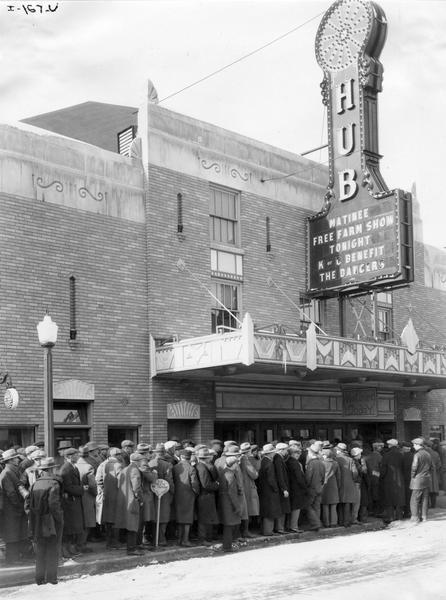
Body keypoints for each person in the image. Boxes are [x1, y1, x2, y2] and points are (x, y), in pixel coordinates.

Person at [29, 457, 64, 585]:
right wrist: (60, 519)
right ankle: (51, 578)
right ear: (51, 469)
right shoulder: (54, 483)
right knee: (52, 549)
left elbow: (28, 504)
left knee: (40, 550)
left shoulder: (35, 484)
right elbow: (54, 505)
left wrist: (34, 517)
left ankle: (39, 579)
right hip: (50, 522)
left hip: (37, 521)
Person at [0, 448, 29, 564]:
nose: (18, 459)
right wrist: (19, 505)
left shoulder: (12, 471)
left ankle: (16, 557)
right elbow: (11, 493)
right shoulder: (7, 473)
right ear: (11, 460)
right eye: (16, 458)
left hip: (14, 508)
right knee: (12, 534)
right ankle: (12, 559)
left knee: (16, 532)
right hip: (11, 509)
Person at [114, 452, 146, 555]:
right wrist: (140, 499)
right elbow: (137, 488)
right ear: (138, 461)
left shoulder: (125, 469)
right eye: (142, 460)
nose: (143, 462)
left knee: (129, 524)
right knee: (133, 524)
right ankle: (131, 548)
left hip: (124, 500)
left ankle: (132, 547)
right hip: (132, 500)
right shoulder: (135, 470)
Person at [95, 447, 124, 549]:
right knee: (116, 519)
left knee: (108, 519)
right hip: (117, 496)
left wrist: (103, 490)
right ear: (116, 456)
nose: (121, 456)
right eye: (119, 454)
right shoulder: (118, 465)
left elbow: (98, 480)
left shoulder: (102, 464)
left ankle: (109, 542)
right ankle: (114, 542)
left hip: (106, 496)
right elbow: (121, 482)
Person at [216, 445, 243, 552]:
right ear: (234, 465)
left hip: (224, 501)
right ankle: (227, 546)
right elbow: (232, 493)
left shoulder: (224, 472)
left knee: (228, 524)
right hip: (229, 503)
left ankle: (228, 545)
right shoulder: (230, 475)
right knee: (229, 525)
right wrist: (237, 507)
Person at [59, 447, 84, 558]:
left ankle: (70, 549)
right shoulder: (66, 469)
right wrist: (82, 489)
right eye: (75, 455)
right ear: (68, 456)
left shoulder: (73, 467)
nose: (78, 456)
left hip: (74, 500)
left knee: (74, 526)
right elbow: (68, 487)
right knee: (69, 527)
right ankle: (65, 551)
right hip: (70, 502)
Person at [148, 443, 174, 546]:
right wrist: (173, 491)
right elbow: (169, 480)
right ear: (164, 453)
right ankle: (161, 540)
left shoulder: (150, 463)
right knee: (163, 517)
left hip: (151, 492)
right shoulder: (167, 465)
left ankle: (152, 538)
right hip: (164, 493)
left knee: (153, 516)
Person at [172, 449, 200, 546]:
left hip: (177, 495)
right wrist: (196, 492)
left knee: (179, 518)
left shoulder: (175, 467)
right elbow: (194, 484)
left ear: (181, 457)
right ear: (189, 457)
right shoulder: (191, 468)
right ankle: (185, 540)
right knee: (187, 519)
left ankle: (179, 540)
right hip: (188, 495)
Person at [195, 447, 219, 545]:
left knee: (206, 517)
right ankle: (203, 539)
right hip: (205, 495)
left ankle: (207, 538)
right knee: (204, 518)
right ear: (207, 458)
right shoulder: (202, 468)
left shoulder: (200, 466)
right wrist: (217, 485)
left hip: (204, 496)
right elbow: (206, 484)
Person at [257, 444, 282, 536]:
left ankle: (263, 530)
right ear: (271, 453)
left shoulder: (262, 461)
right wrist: (276, 489)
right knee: (270, 512)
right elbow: (271, 479)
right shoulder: (269, 463)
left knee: (264, 511)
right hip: (270, 491)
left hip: (263, 490)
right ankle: (268, 531)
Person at [379, 438, 405, 524]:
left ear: (390, 445)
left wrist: (380, 477)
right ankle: (399, 516)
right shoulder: (401, 454)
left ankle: (391, 517)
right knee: (398, 498)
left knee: (389, 498)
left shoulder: (386, 455)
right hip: (400, 479)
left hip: (389, 480)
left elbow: (383, 469)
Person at [409, 437, 432, 523]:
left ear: (418, 445)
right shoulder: (428, 454)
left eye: (414, 445)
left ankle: (415, 517)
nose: (413, 446)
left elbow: (414, 467)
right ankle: (424, 517)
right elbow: (431, 467)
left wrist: (412, 476)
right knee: (425, 499)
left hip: (417, 480)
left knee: (414, 499)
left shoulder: (417, 455)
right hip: (426, 479)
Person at [238, 442, 259, 538]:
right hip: (247, 487)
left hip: (242, 485)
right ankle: (245, 531)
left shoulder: (239, 458)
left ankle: (242, 531)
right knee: (247, 510)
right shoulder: (245, 459)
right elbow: (254, 474)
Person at [335, 442, 357, 527]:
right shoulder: (350, 459)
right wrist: (354, 480)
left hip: (338, 483)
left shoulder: (336, 459)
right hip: (349, 483)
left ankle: (340, 521)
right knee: (347, 503)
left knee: (340, 502)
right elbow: (355, 473)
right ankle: (346, 522)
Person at [286, 444, 307, 533]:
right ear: (293, 454)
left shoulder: (287, 461)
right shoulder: (295, 463)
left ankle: (289, 525)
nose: (298, 455)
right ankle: (294, 526)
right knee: (296, 508)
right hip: (297, 488)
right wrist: (304, 486)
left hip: (290, 487)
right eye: (297, 453)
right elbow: (299, 477)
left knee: (291, 507)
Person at [304, 441, 325, 531]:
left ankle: (315, 523)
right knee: (317, 507)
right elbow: (323, 477)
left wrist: (306, 486)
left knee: (307, 506)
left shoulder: (311, 463)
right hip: (319, 487)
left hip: (312, 488)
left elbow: (308, 477)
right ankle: (317, 524)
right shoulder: (321, 463)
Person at [273, 442, 291, 534]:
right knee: (282, 508)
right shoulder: (278, 459)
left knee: (283, 508)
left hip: (281, 487)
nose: (287, 452)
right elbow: (280, 475)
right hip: (281, 489)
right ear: (281, 450)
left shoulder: (278, 458)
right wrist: (284, 489)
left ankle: (280, 527)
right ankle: (280, 528)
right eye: (286, 450)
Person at [321, 447, 340, 528]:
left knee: (325, 505)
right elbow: (339, 476)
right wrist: (338, 486)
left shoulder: (321, 463)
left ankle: (326, 523)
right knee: (333, 505)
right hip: (333, 485)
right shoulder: (335, 463)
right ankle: (333, 522)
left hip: (324, 486)